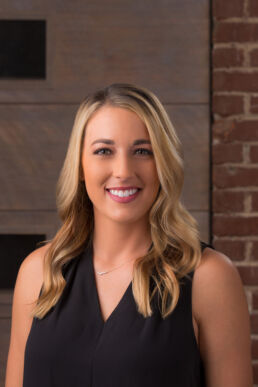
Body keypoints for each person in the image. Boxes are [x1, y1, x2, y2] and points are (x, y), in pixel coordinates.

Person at [5, 83, 253, 387]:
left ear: (163, 163)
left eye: (142, 151)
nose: (123, 170)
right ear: (80, 166)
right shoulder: (38, 273)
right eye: (104, 151)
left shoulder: (209, 277)